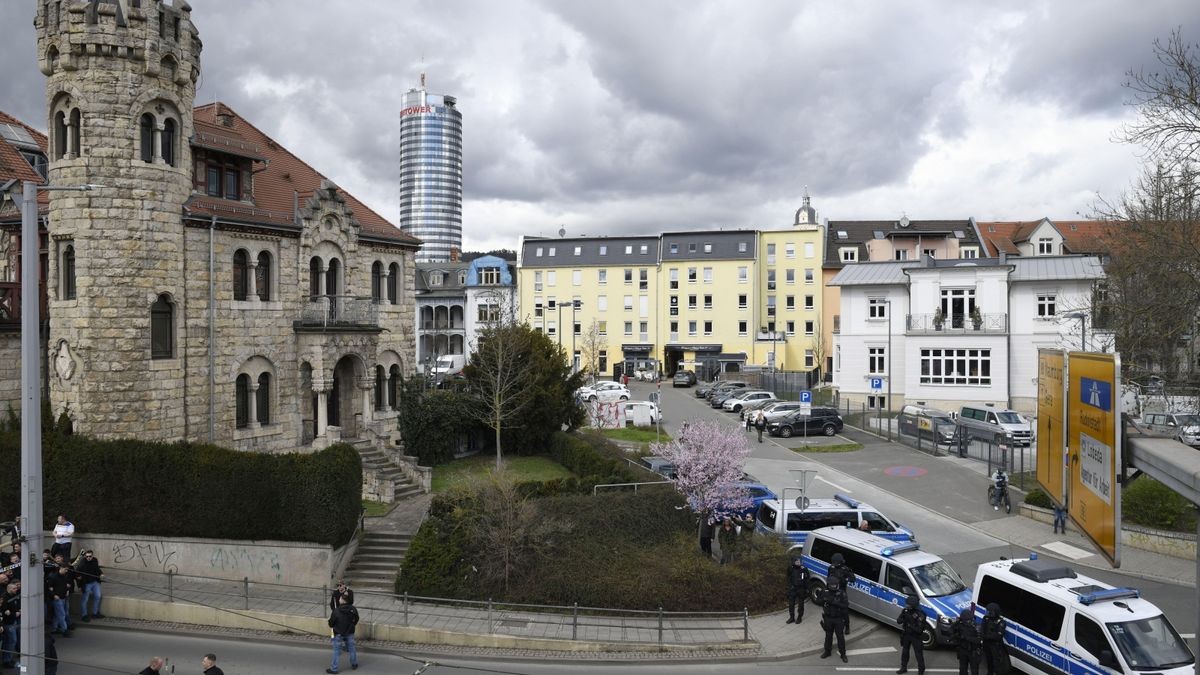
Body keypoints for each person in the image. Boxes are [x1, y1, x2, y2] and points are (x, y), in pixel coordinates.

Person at [327, 595, 360, 673]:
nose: (339, 600)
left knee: (336, 651)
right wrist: (352, 625)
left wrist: (331, 625)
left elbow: (331, 623)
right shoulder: (353, 609)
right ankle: (354, 664)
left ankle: (334, 669)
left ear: (343, 600)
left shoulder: (336, 611)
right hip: (350, 632)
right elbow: (357, 618)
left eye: (340, 598)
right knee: (352, 648)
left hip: (338, 633)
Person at [896, 593, 926, 675]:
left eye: (908, 604)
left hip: (916, 637)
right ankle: (903, 667)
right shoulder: (905, 610)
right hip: (906, 634)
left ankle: (921, 671)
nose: (906, 605)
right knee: (905, 651)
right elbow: (898, 620)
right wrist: (904, 619)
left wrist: (910, 625)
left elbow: (919, 630)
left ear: (912, 605)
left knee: (918, 654)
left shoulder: (920, 614)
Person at [827, 552, 856, 633]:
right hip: (832, 591)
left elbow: (853, 578)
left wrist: (846, 579)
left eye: (836, 562)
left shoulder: (845, 569)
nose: (835, 564)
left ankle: (847, 627)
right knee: (831, 609)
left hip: (842, 592)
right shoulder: (831, 568)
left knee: (844, 611)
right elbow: (828, 578)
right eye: (833, 562)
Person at [819, 586, 848, 662]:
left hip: (838, 618)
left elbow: (845, 605)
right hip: (828, 618)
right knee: (828, 636)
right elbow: (819, 601)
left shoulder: (841, 593)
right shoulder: (825, 592)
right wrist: (824, 600)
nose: (833, 586)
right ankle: (827, 651)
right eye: (832, 585)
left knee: (840, 637)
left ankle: (843, 654)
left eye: (835, 584)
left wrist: (834, 602)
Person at [981, 603, 1010, 675]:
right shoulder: (986, 618)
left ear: (995, 612)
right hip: (986, 645)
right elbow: (982, 629)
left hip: (995, 646)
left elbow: (998, 636)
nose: (988, 613)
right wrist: (983, 636)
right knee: (989, 661)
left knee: (997, 664)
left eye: (990, 611)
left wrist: (986, 636)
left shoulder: (1001, 622)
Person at [75, 549, 104, 621]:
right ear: (85, 556)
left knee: (98, 596)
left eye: (90, 556)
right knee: (85, 600)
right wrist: (79, 586)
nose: (88, 558)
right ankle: (84, 615)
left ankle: (95, 613)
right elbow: (77, 575)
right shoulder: (82, 563)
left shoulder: (95, 560)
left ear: (92, 555)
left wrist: (101, 573)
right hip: (86, 583)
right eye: (87, 556)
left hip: (95, 582)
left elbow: (97, 568)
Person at [952, 608, 982, 675]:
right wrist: (956, 623)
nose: (965, 622)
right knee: (962, 670)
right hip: (963, 650)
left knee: (974, 671)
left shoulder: (977, 627)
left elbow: (979, 640)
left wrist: (966, 637)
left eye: (967, 620)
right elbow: (951, 631)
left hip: (973, 652)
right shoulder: (960, 625)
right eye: (963, 620)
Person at [46, 565, 72, 637]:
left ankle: (54, 629)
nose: (66, 571)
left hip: (63, 597)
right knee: (62, 614)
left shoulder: (64, 576)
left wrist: (67, 591)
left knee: (57, 615)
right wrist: (54, 595)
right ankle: (65, 630)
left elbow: (65, 586)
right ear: (61, 568)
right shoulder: (53, 577)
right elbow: (49, 588)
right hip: (57, 598)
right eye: (65, 569)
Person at [785, 557, 809, 624]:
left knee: (801, 605)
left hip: (801, 589)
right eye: (797, 562)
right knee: (791, 604)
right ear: (794, 562)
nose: (799, 563)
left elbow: (807, 578)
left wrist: (806, 589)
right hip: (793, 589)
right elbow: (788, 577)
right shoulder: (790, 568)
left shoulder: (804, 569)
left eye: (799, 562)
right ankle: (792, 617)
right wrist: (790, 586)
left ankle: (799, 617)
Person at [1, 581, 18, 669]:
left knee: (9, 642)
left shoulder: (13, 596)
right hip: (8, 623)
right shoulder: (4, 598)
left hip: (12, 621)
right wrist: (14, 614)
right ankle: (6, 660)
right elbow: (4, 613)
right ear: (9, 589)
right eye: (14, 588)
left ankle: (8, 658)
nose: (16, 589)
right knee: (11, 641)